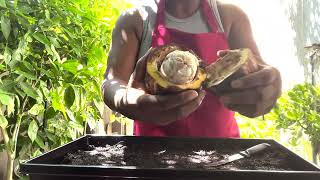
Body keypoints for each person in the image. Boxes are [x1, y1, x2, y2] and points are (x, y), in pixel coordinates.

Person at [102, 0, 282, 137]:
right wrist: (125, 100)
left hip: (221, 155)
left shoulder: (231, 17)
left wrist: (265, 88)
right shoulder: (136, 19)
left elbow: (257, 68)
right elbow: (112, 81)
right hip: (152, 155)